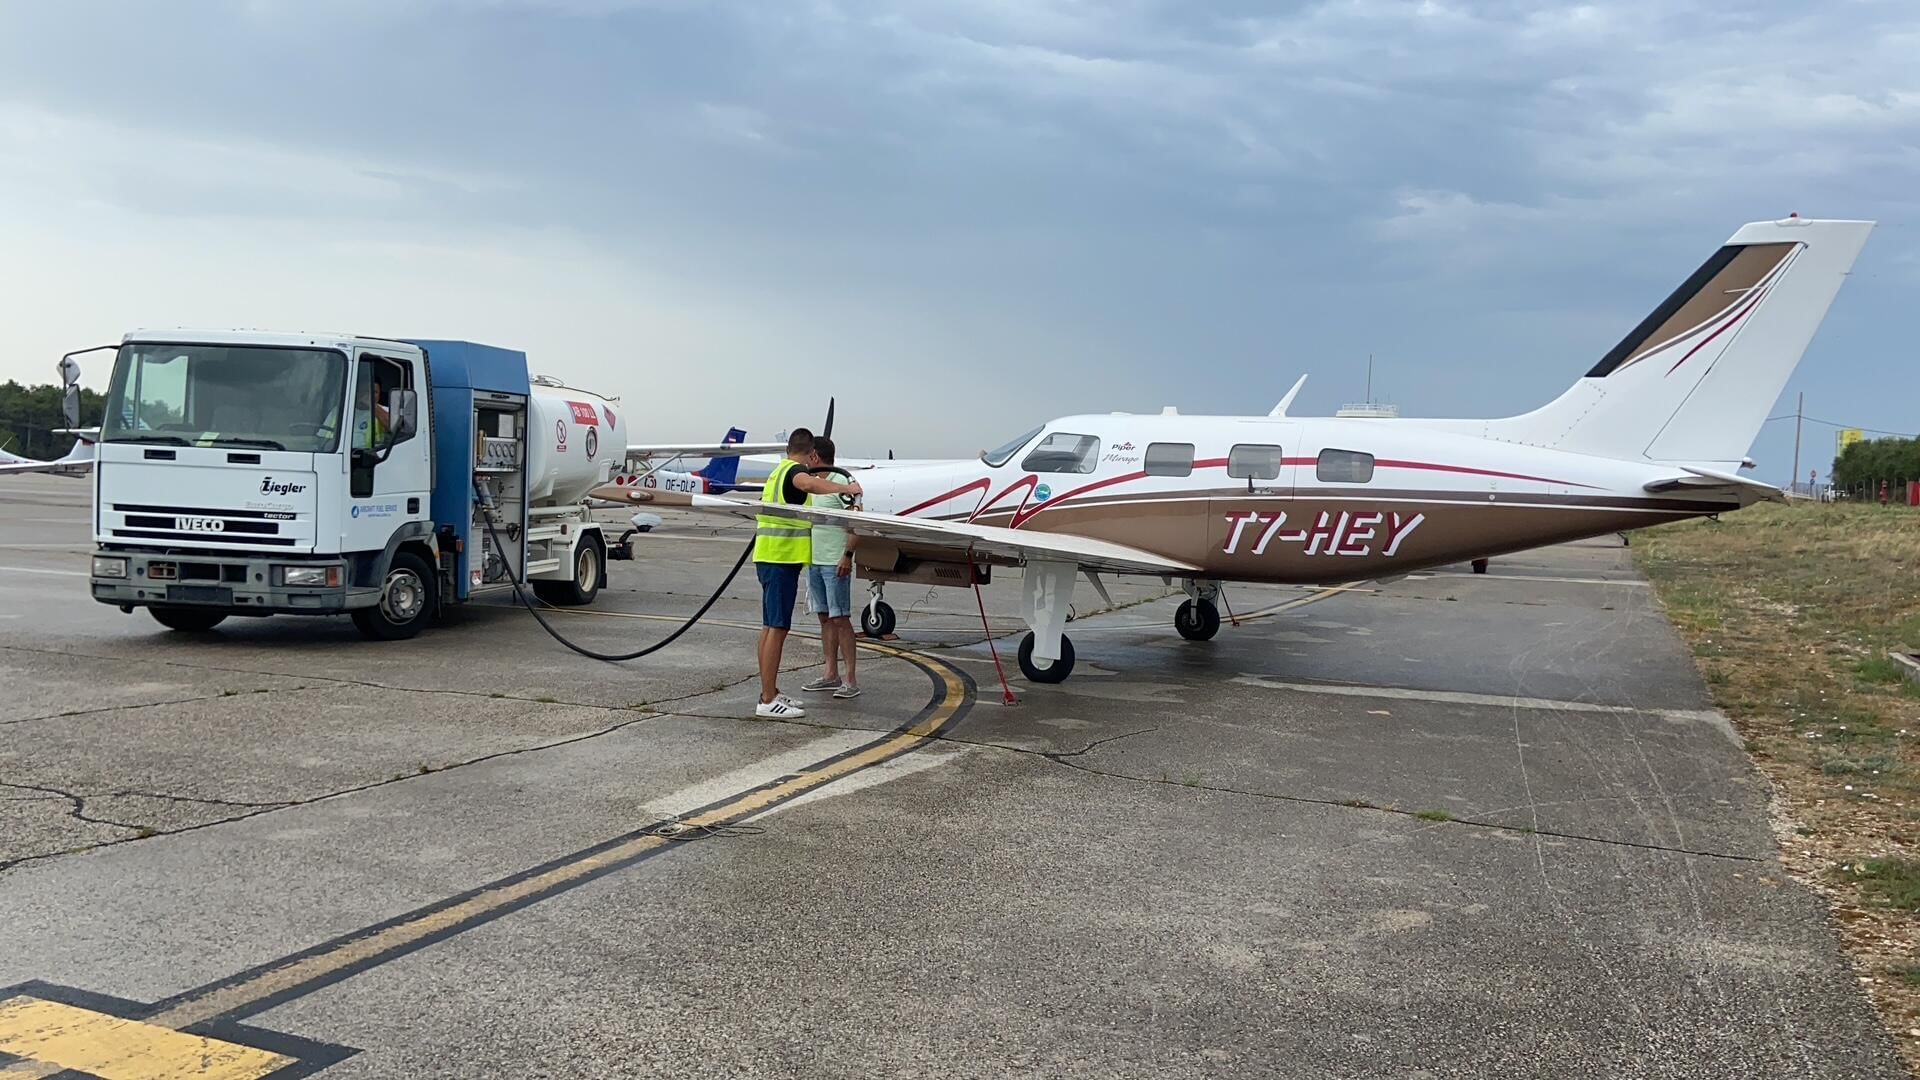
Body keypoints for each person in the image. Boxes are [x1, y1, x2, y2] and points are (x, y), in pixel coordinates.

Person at [755, 428, 861, 719]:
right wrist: (845, 489)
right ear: (812, 454)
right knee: (777, 628)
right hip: (780, 560)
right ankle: (767, 699)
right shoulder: (793, 473)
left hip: (770, 558)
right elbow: (807, 484)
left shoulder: (777, 471)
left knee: (769, 627)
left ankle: (771, 691)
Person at [799, 436, 861, 699]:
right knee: (824, 617)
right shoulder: (813, 486)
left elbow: (858, 523)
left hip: (835, 562)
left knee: (840, 619)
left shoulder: (843, 485)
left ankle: (851, 680)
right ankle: (830, 674)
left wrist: (847, 555)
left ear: (814, 456)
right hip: (814, 560)